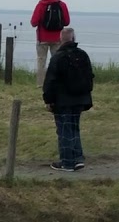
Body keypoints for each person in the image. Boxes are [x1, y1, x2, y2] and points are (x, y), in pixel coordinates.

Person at [42, 27, 92, 172]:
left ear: (60, 40)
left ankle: (67, 162)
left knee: (64, 131)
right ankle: (78, 158)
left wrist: (48, 100)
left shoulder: (58, 57)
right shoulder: (83, 55)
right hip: (80, 98)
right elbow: (89, 77)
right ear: (73, 38)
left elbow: (50, 81)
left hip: (63, 100)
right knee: (74, 128)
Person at [31, 0, 70, 87]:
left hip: (42, 38)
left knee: (41, 61)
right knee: (57, 61)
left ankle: (40, 84)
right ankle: (57, 83)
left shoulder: (41, 5)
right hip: (57, 38)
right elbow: (67, 22)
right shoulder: (62, 5)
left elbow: (34, 22)